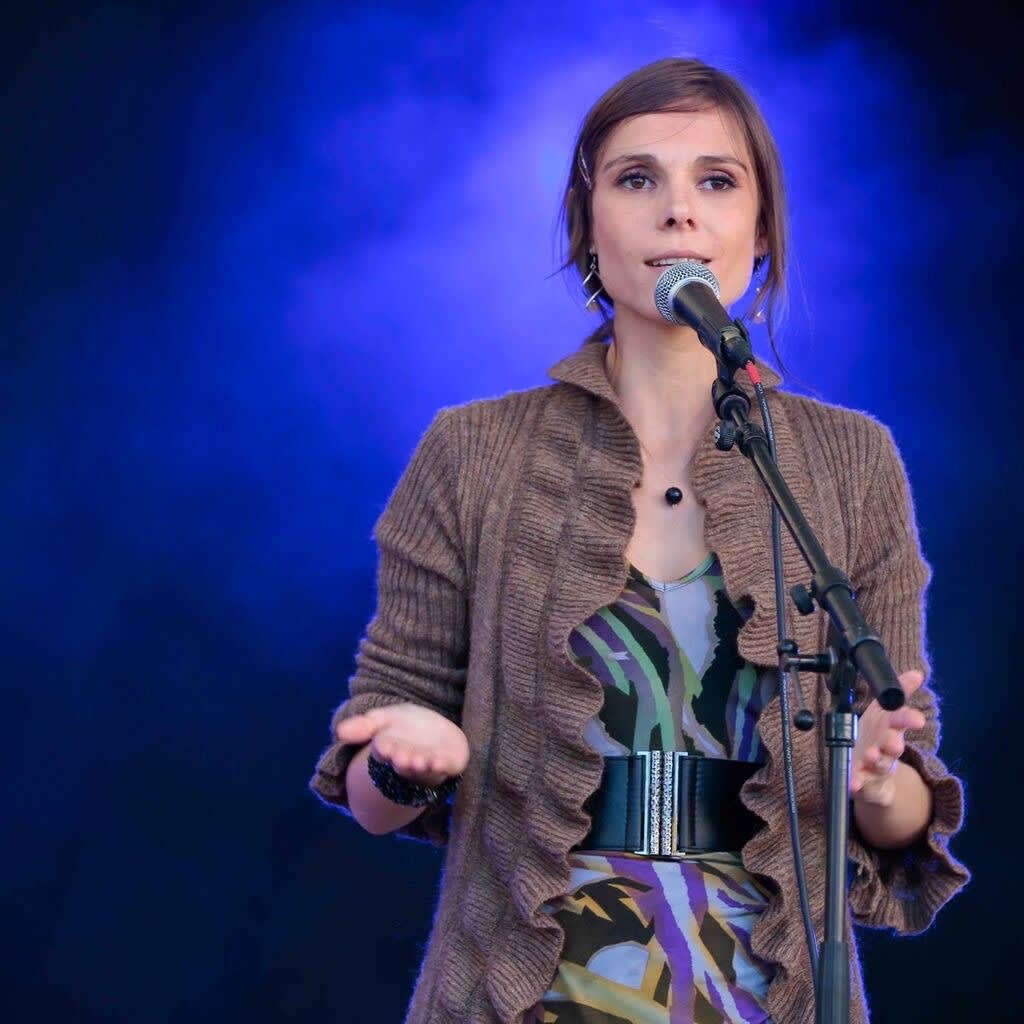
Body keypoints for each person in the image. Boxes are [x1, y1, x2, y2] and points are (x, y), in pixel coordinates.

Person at [310, 58, 968, 1023]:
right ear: (588, 227)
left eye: (717, 180)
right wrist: (403, 758)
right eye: (635, 179)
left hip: (768, 992)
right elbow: (374, 801)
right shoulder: (473, 451)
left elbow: (905, 805)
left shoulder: (851, 462)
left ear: (763, 230)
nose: (678, 212)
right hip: (525, 992)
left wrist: (875, 779)